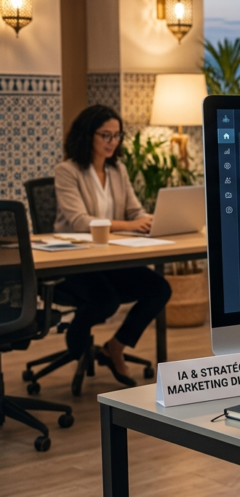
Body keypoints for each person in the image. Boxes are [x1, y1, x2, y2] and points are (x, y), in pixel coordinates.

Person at [54, 105, 172, 387]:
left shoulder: (117, 169)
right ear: (87, 135)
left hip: (111, 258)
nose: (112, 142)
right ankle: (76, 337)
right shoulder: (67, 171)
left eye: (117, 136)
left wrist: (151, 220)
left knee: (159, 288)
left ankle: (115, 347)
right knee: (104, 301)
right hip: (74, 263)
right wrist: (132, 225)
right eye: (105, 135)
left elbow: (133, 211)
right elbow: (82, 222)